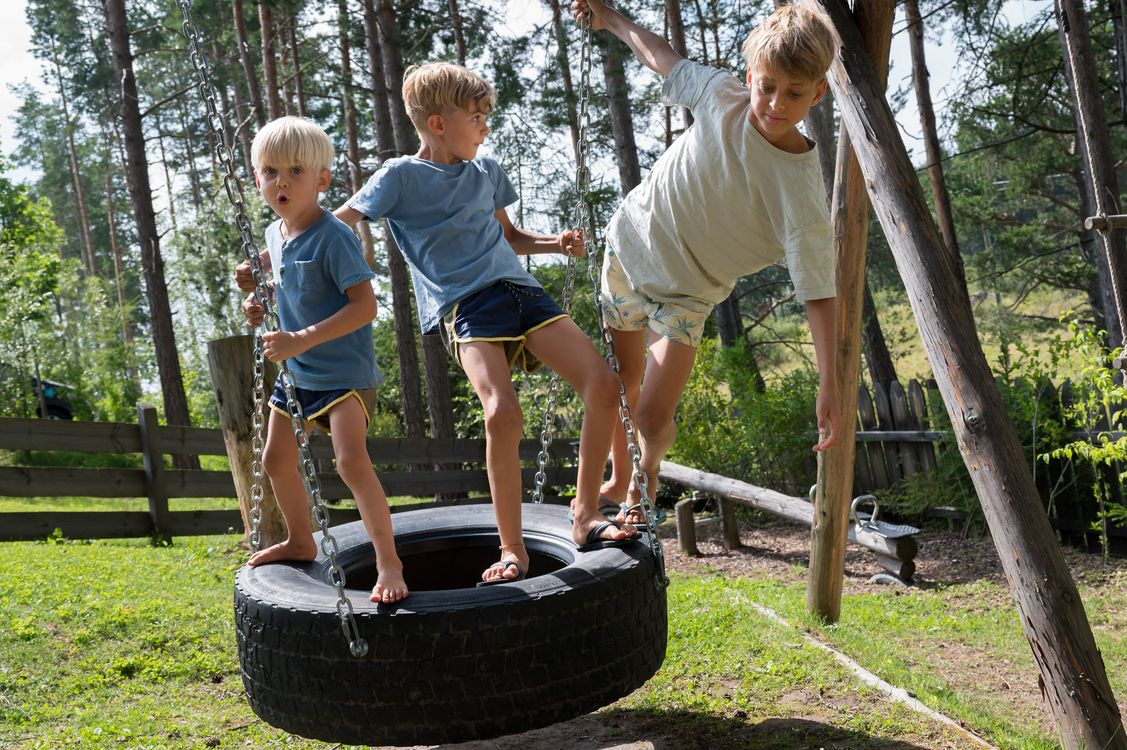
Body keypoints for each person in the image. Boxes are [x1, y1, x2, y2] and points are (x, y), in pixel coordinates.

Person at [333, 62, 638, 585]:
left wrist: (552, 244)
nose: (485, 126)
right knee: (502, 412)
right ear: (437, 123)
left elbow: (510, 237)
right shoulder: (400, 176)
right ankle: (512, 549)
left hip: (521, 291)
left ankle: (586, 513)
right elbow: (338, 224)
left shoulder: (486, 172)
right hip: (466, 304)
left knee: (604, 384)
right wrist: (276, 260)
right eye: (475, 117)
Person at [571, 0, 843, 525]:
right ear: (750, 78)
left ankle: (646, 467)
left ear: (817, 91)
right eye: (766, 86)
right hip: (631, 246)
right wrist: (611, 19)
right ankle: (620, 475)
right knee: (622, 378)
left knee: (651, 416)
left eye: (793, 93)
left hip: (688, 294)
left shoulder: (801, 193)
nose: (774, 104)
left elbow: (819, 291)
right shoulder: (722, 96)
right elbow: (661, 57)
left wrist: (828, 380)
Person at [235, 116, 407, 604]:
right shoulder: (275, 235)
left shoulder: (334, 236)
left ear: (322, 180)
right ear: (257, 180)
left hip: (344, 375)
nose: (281, 182)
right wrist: (258, 304)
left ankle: (389, 563)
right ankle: (300, 538)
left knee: (351, 462)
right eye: (270, 172)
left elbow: (365, 306)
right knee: (274, 459)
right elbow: (284, 291)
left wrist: (300, 339)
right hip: (297, 376)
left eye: (295, 171)